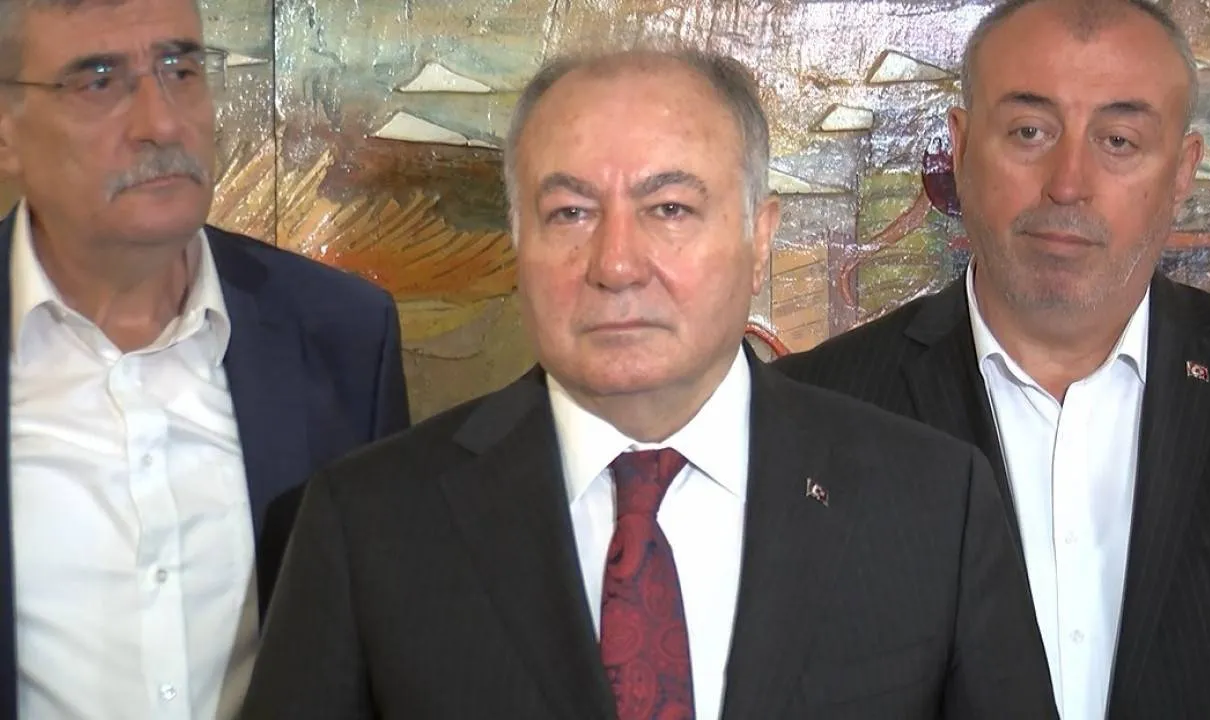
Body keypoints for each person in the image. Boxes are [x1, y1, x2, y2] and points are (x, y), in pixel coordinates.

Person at [239, 47, 1056, 720]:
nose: (617, 265)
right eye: (570, 213)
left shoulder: (932, 502)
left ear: (759, 238)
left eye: (669, 209)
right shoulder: (366, 523)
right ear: (519, 242)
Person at [775, 0, 1210, 717]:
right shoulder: (806, 418)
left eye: (1119, 141)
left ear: (1182, 172)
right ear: (959, 149)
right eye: (1029, 132)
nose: (1067, 183)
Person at [0, 0, 411, 716]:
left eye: (181, 68)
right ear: (7, 131)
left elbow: (387, 650)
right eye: (99, 81)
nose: (161, 123)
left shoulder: (345, 334)